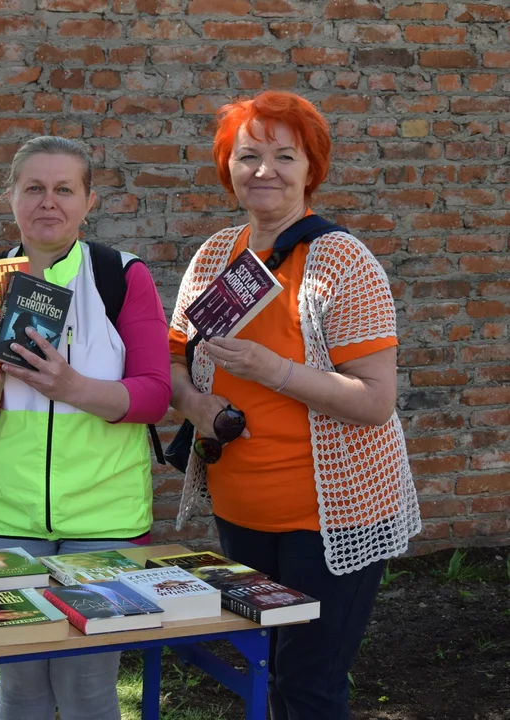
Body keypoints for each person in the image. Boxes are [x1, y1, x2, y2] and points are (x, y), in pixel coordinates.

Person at [168, 90, 421, 719]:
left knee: (308, 685)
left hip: (333, 519)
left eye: (285, 156)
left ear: (312, 169)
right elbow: (173, 362)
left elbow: (375, 401)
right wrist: (197, 407)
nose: (265, 170)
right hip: (242, 510)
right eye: (248, 155)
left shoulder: (342, 261)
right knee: (267, 671)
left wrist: (274, 369)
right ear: (227, 166)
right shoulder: (213, 257)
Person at [0, 136, 172, 720]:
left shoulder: (122, 277)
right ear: (11, 197)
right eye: (34, 188)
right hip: (5, 520)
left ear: (88, 200)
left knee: (88, 687)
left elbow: (155, 395)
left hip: (106, 520)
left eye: (64, 189)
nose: (49, 202)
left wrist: (75, 388)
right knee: (19, 685)